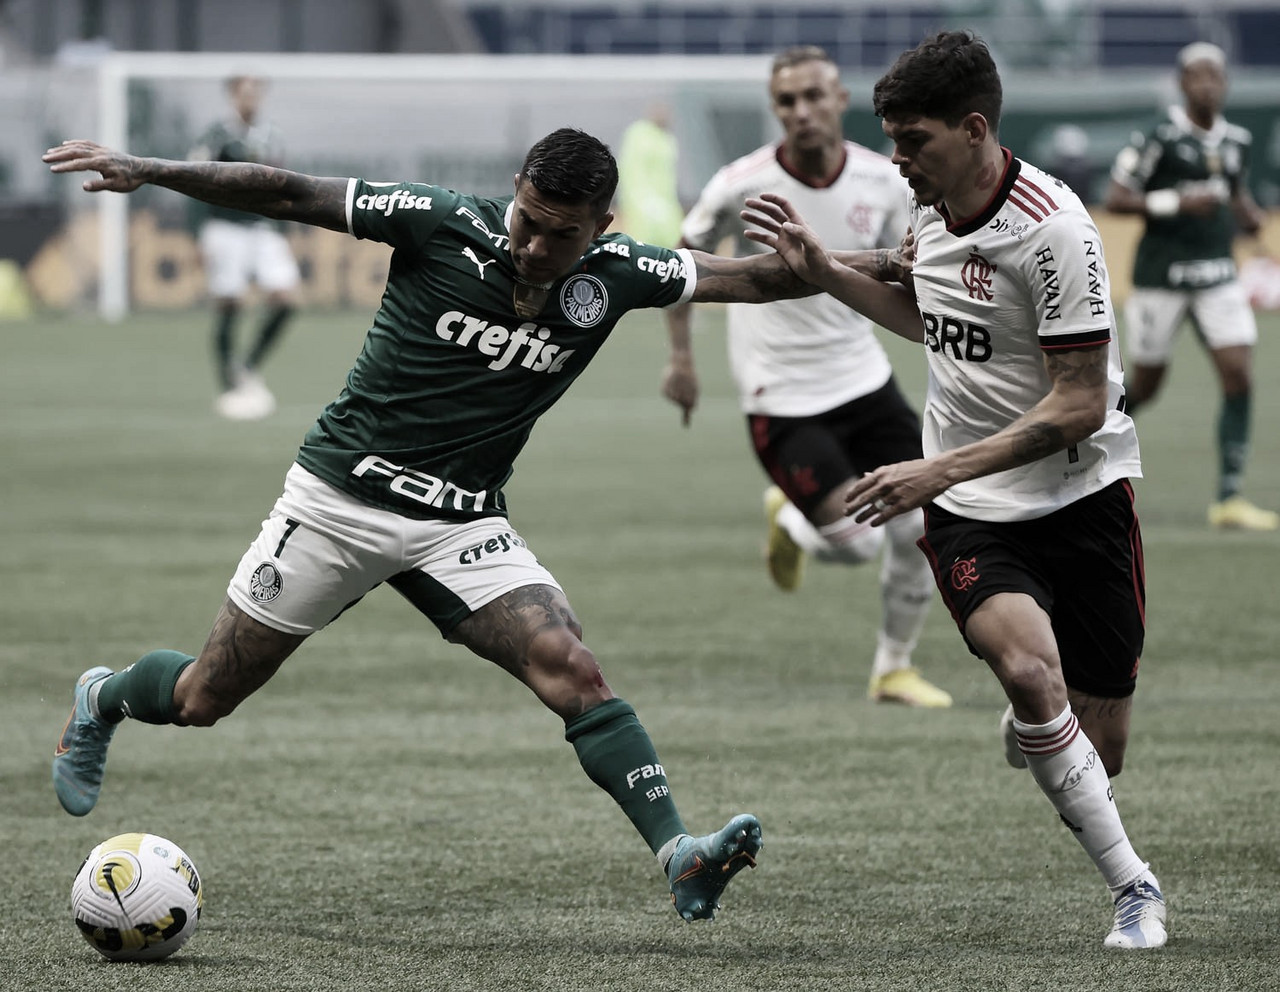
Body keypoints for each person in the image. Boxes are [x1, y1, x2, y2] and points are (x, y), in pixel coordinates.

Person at [43, 127, 902, 922]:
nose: (533, 246)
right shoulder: (439, 223)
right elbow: (289, 192)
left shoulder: (624, 274)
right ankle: (101, 697)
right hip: (341, 501)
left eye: (560, 235)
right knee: (203, 699)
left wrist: (884, 263)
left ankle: (679, 853)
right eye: (527, 219)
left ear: (603, 227)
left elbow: (760, 277)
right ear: (515, 190)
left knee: (573, 666)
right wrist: (149, 169)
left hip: (460, 525)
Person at [742, 31, 1167, 949]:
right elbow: (932, 319)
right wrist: (825, 275)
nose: (898, 162)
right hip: (975, 512)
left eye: (915, 142)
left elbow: (1082, 404)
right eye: (892, 142)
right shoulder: (929, 211)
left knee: (1103, 749)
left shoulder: (1057, 232)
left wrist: (933, 467)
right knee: (1025, 669)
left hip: (1083, 499)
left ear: (975, 129)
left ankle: (1045, 732)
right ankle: (1135, 888)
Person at [662, 46, 950, 708]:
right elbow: (680, 263)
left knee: (924, 524)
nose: (802, 112)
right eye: (787, 101)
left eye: (814, 96)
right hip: (780, 393)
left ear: (840, 100)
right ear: (776, 110)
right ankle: (792, 523)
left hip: (863, 377)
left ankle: (893, 668)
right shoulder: (741, 182)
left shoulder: (885, 179)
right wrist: (681, 356)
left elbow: (908, 262)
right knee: (855, 545)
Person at [1105, 42, 1275, 531]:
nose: (1207, 85)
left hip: (1218, 273)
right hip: (1162, 275)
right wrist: (1176, 204)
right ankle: (1083, 439)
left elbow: (1236, 193)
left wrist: (1248, 217)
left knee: (1239, 373)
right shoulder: (1159, 136)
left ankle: (1229, 497)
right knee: (1146, 386)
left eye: (1215, 76)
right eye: (1197, 77)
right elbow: (1117, 197)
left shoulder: (1236, 140)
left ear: (1225, 83)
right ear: (1182, 84)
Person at [189, 75, 301, 420]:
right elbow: (194, 182)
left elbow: (283, 187)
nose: (251, 99)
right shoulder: (216, 136)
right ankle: (228, 385)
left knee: (286, 299)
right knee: (230, 302)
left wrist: (284, 232)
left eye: (256, 93)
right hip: (225, 229)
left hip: (263, 229)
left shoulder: (272, 136)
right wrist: (197, 234)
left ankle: (247, 366)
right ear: (232, 96)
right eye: (244, 93)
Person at [615, 102, 684, 247]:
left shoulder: (667, 139)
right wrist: (642, 197)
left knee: (672, 238)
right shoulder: (640, 135)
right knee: (645, 240)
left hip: (666, 199)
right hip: (644, 199)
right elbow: (632, 169)